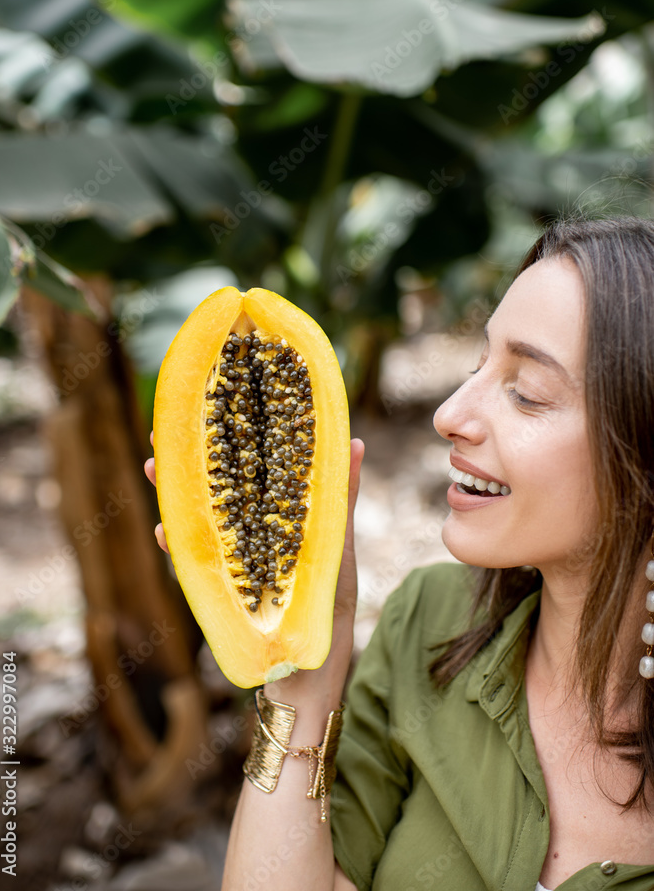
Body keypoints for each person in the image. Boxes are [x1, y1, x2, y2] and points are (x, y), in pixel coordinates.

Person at [146, 216, 654, 890]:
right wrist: (303, 665)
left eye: (525, 393)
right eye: (477, 364)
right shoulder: (430, 627)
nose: (449, 413)